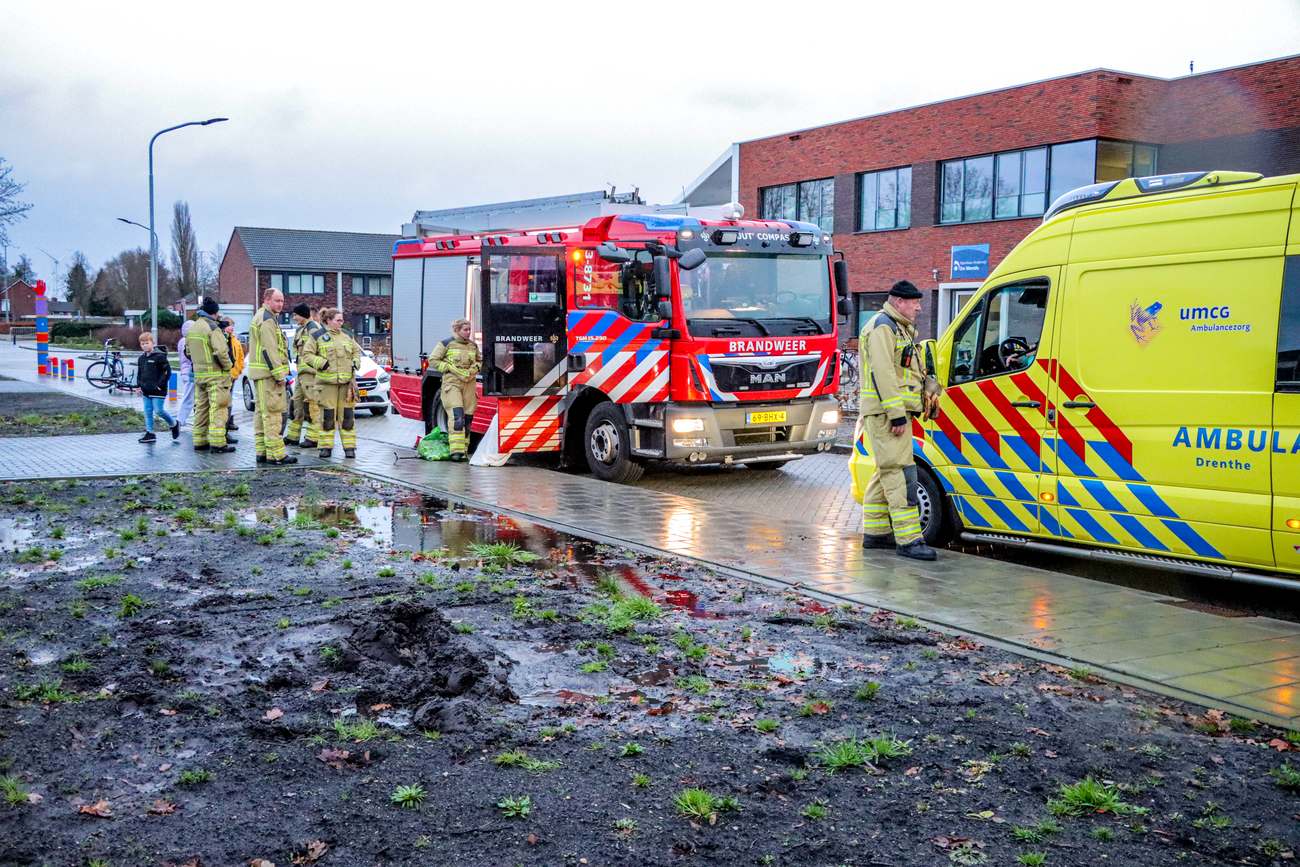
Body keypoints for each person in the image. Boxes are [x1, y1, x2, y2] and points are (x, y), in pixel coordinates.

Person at [859, 280, 937, 561]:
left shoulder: (897, 327)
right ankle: (909, 540)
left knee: (885, 472)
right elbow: (884, 373)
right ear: (898, 301)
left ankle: (876, 534)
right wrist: (896, 414)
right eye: (914, 302)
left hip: (892, 413)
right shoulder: (884, 327)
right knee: (899, 473)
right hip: (888, 415)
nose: (918, 306)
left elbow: (902, 371)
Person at [302, 307, 360, 459]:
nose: (341, 323)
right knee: (327, 417)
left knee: (347, 417)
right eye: (338, 320)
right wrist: (322, 363)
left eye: (342, 320)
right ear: (328, 320)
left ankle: (349, 448)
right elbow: (306, 355)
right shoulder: (317, 336)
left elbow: (356, 351)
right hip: (327, 384)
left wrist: (355, 362)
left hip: (346, 384)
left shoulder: (347, 335)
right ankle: (326, 448)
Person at [248, 288, 297, 465]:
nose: (281, 304)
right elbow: (270, 349)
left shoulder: (262, 316)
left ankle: (262, 452)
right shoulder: (267, 319)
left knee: (262, 413)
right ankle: (276, 455)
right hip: (269, 375)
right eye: (277, 300)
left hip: (261, 374)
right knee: (273, 414)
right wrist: (279, 375)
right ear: (267, 300)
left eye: (282, 301)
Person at [185, 297, 235, 453]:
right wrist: (228, 367)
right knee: (218, 408)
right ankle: (218, 443)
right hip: (216, 376)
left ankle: (199, 441)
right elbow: (221, 351)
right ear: (215, 312)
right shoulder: (213, 328)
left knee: (201, 408)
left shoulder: (193, 328)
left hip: (200, 375)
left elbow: (187, 352)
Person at [428, 317, 481, 461]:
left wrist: (474, 368)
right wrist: (448, 368)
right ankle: (455, 452)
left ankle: (463, 450)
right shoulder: (446, 344)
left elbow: (479, 361)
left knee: (468, 418)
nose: (468, 332)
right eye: (465, 329)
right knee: (457, 417)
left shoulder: (473, 346)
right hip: (452, 384)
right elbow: (432, 360)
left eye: (469, 329)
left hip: (469, 383)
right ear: (457, 330)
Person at [285, 303, 321, 449]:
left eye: (296, 315)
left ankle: (313, 438)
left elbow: (322, 350)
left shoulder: (314, 328)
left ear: (303, 314)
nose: (294, 318)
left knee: (313, 405)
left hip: (311, 374)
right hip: (301, 373)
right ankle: (293, 436)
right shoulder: (301, 329)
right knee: (297, 404)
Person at [135, 331, 179, 444]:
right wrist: (138, 386)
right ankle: (150, 433)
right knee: (148, 412)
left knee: (159, 411)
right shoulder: (141, 358)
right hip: (146, 390)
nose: (144, 345)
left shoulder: (160, 357)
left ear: (153, 343)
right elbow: (140, 373)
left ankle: (174, 424)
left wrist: (160, 385)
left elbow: (167, 372)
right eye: (142, 343)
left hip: (158, 391)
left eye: (147, 343)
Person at [221, 318, 242, 443]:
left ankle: (226, 428)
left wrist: (237, 371)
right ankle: (223, 431)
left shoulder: (234, 340)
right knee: (224, 404)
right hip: (225, 376)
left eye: (233, 326)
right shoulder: (223, 339)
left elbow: (239, 357)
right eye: (230, 325)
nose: (232, 328)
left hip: (232, 376)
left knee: (228, 403)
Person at [178, 316, 195, 429]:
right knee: (188, 398)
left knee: (190, 396)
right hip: (190, 372)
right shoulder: (189, 341)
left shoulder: (181, 341)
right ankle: (180, 420)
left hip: (184, 372)